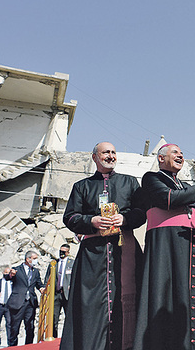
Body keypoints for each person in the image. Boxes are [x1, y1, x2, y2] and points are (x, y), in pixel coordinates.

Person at [61, 142, 145, 350]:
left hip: (124, 251)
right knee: (90, 304)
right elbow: (70, 218)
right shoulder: (82, 186)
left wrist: (123, 219)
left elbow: (142, 212)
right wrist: (92, 221)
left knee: (125, 300)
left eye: (113, 152)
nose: (110, 156)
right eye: (106, 152)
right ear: (94, 157)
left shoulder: (130, 182)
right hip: (92, 256)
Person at [133, 144, 195, 350]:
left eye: (181, 153)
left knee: (185, 293)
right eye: (175, 153)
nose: (180, 155)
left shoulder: (181, 184)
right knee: (164, 294)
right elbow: (168, 199)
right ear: (161, 158)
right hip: (165, 245)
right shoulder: (152, 178)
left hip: (186, 245)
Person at [6, 251, 44, 346]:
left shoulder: (35, 271)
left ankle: (28, 346)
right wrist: (11, 274)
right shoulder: (17, 269)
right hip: (18, 302)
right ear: (28, 259)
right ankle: (12, 347)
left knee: (30, 327)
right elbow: (8, 277)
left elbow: (38, 283)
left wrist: (42, 288)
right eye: (34, 258)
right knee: (15, 328)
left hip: (30, 303)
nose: (36, 261)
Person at [44, 244, 74, 338]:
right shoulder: (53, 264)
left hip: (67, 294)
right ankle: (53, 337)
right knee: (53, 318)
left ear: (68, 253)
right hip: (55, 294)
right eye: (60, 251)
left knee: (69, 317)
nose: (62, 253)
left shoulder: (72, 263)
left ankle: (69, 338)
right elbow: (47, 279)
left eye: (64, 252)